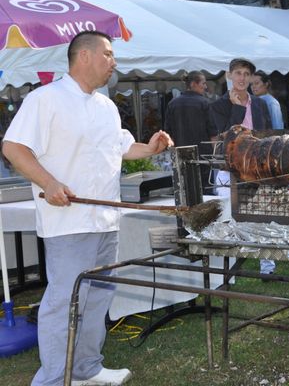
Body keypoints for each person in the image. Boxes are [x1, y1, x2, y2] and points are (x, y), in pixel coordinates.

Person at [2, 31, 173, 386]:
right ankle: (52, 379)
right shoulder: (44, 99)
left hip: (105, 219)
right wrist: (48, 183)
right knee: (64, 303)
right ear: (83, 56)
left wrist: (151, 148)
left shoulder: (106, 106)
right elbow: (14, 148)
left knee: (97, 299)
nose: (114, 62)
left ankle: (87, 369)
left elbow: (122, 148)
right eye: (108, 54)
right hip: (68, 222)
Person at [211, 58, 273, 276]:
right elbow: (226, 134)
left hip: (256, 164)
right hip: (229, 167)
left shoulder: (260, 104)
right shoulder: (218, 105)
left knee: (261, 209)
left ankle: (266, 263)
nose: (242, 78)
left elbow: (267, 132)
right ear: (229, 75)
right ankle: (232, 260)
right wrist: (236, 108)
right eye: (238, 73)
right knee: (230, 211)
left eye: (246, 74)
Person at [164, 71, 217, 193]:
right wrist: (214, 156)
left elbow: (167, 135)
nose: (205, 86)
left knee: (185, 192)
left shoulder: (172, 104)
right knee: (205, 194)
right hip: (203, 157)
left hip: (180, 156)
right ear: (193, 84)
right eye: (203, 83)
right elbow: (213, 133)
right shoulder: (204, 103)